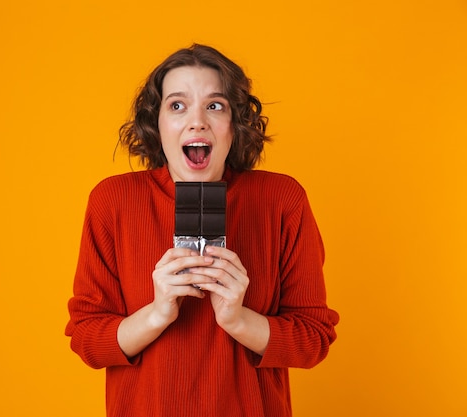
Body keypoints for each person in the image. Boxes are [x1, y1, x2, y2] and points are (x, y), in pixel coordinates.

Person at [65, 43, 339, 417]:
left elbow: (313, 340)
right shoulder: (112, 201)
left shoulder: (282, 199)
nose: (197, 121)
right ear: (156, 124)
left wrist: (238, 319)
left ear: (234, 125)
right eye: (177, 105)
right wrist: (158, 313)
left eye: (215, 105)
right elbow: (87, 342)